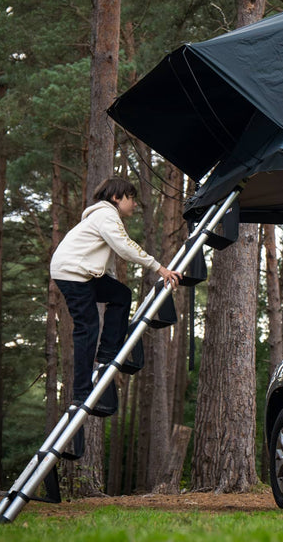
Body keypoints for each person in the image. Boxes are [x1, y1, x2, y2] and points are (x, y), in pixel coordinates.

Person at [51, 176, 181, 415]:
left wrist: (111, 282)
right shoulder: (105, 214)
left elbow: (107, 261)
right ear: (116, 197)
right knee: (87, 328)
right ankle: (81, 393)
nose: (135, 204)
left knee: (120, 295)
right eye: (131, 198)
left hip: (82, 272)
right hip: (73, 273)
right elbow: (124, 246)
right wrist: (159, 268)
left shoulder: (104, 217)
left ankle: (108, 351)